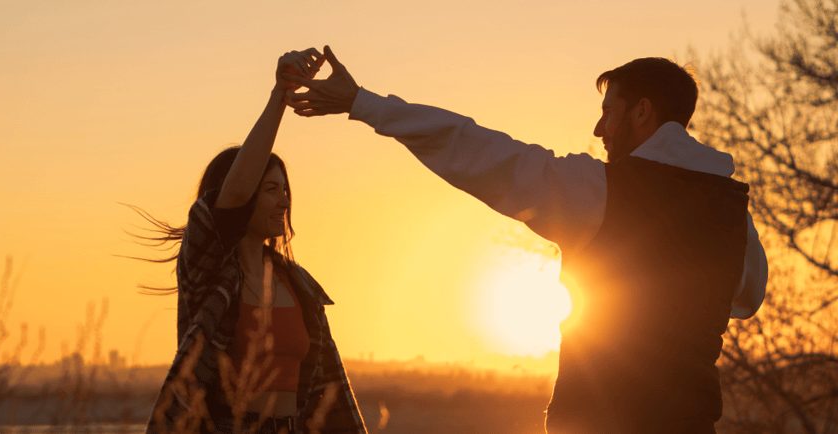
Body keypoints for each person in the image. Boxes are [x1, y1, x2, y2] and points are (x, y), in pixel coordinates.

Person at [283, 47, 769, 434]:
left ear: (643, 112)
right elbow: (746, 298)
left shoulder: (600, 190)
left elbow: (477, 151)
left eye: (608, 112)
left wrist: (363, 103)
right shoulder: (731, 210)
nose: (599, 129)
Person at [140, 49, 366, 434]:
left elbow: (330, 398)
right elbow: (229, 201)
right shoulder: (210, 271)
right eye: (270, 189)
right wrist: (281, 96)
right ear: (244, 196)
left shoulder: (301, 288)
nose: (285, 200)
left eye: (285, 189)